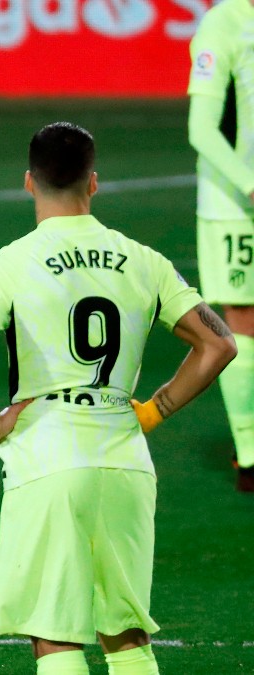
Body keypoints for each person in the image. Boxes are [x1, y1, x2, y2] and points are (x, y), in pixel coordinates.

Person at [0, 122, 236, 675]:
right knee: (125, 636)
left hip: (47, 458)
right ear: (93, 183)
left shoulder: (8, 263)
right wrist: (156, 408)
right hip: (125, 458)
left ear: (29, 182)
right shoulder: (145, 260)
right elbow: (218, 345)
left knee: (55, 639)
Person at [187, 0, 254, 491]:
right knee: (246, 318)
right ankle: (251, 454)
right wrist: (250, 185)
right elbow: (202, 129)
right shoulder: (224, 22)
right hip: (237, 206)